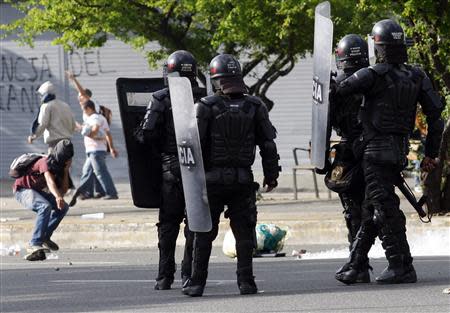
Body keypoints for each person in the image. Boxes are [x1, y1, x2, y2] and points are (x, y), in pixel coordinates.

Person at [335, 19, 444, 284]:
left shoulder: (373, 74)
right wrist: (430, 154)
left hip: (374, 152)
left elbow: (340, 90)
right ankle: (356, 264)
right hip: (398, 152)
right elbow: (436, 117)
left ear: (378, 46)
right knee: (374, 206)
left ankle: (400, 266)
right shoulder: (417, 75)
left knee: (383, 209)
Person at [182, 54, 281, 297]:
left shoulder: (204, 107)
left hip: (211, 181)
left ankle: (197, 283)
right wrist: (271, 175)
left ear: (216, 80)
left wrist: (190, 181)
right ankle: (246, 282)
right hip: (243, 180)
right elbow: (268, 144)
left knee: (203, 233)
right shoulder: (255, 106)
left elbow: (192, 147)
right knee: (244, 234)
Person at [134, 50, 206, 290]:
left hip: (171, 169)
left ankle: (164, 276)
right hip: (200, 169)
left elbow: (147, 133)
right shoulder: (207, 98)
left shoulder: (161, 98)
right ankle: (190, 272)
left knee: (168, 223)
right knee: (195, 223)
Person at [321, 34, 371, 283]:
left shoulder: (334, 86)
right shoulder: (375, 78)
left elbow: (324, 123)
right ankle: (390, 261)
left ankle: (359, 263)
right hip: (374, 149)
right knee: (375, 207)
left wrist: (321, 160)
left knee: (353, 210)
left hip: (350, 151)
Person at [13, 139, 74, 261]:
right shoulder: (44, 161)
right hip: (22, 190)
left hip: (36, 192)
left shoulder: (61, 167)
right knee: (44, 206)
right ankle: (34, 243)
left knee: (63, 207)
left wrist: (66, 171)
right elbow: (50, 181)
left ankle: (45, 236)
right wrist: (57, 196)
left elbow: (64, 190)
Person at [69, 100, 118, 205]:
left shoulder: (95, 118)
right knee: (87, 171)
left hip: (96, 150)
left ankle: (111, 193)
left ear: (89, 108)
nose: (84, 112)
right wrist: (111, 148)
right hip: (94, 150)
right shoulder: (99, 118)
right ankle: (84, 192)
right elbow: (108, 134)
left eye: (84, 109)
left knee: (100, 172)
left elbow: (95, 129)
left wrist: (88, 134)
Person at [66, 71, 105, 199]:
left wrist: (73, 80)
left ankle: (84, 192)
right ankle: (100, 191)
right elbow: (88, 128)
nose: (79, 98)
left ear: (86, 96)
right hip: (94, 143)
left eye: (80, 96)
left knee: (88, 169)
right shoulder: (88, 111)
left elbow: (82, 92)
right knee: (95, 169)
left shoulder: (91, 104)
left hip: (97, 143)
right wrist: (79, 128)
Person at [28, 81, 76, 153]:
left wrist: (34, 136)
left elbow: (42, 124)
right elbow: (73, 125)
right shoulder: (65, 105)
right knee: (66, 164)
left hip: (55, 144)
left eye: (41, 95)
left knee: (54, 163)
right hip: (68, 143)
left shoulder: (46, 106)